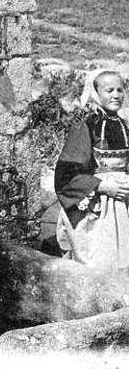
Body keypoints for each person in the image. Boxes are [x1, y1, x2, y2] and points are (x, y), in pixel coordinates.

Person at [55, 68, 129, 271]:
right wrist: (103, 186)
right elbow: (66, 173)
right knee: (100, 258)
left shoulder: (123, 125)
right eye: (109, 90)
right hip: (100, 203)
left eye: (120, 89)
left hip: (123, 200)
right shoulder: (86, 126)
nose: (116, 95)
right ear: (96, 93)